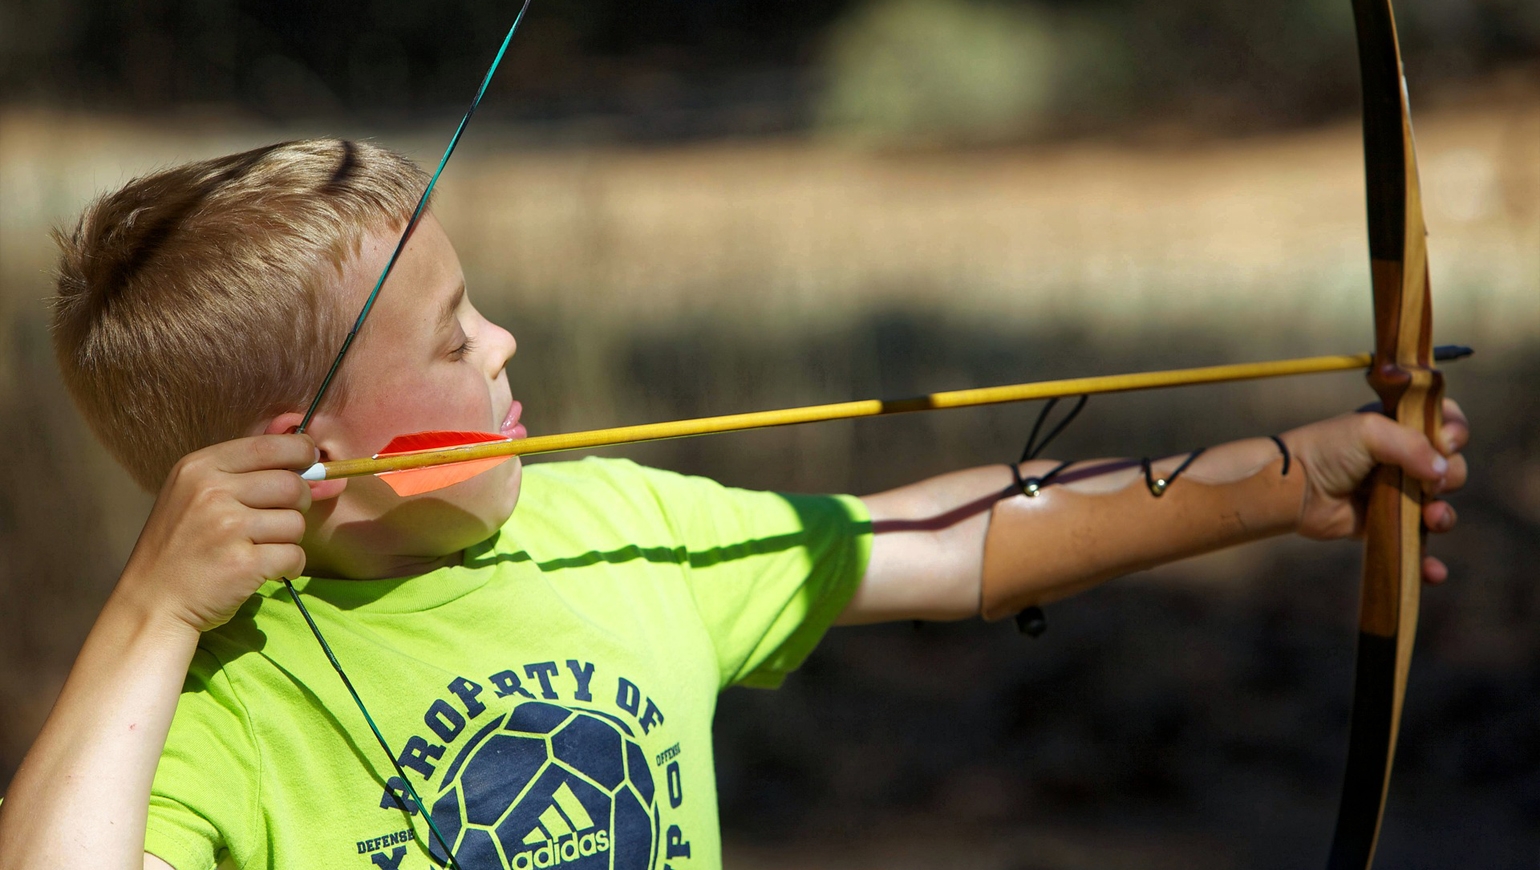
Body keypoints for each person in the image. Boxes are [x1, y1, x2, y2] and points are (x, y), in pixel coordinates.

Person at [0, 140, 1467, 870]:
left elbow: (939, 543)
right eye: (452, 339)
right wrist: (150, 610)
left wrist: (1282, 477)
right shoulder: (216, 712)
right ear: (304, 457)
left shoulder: (610, 528)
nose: (504, 344)